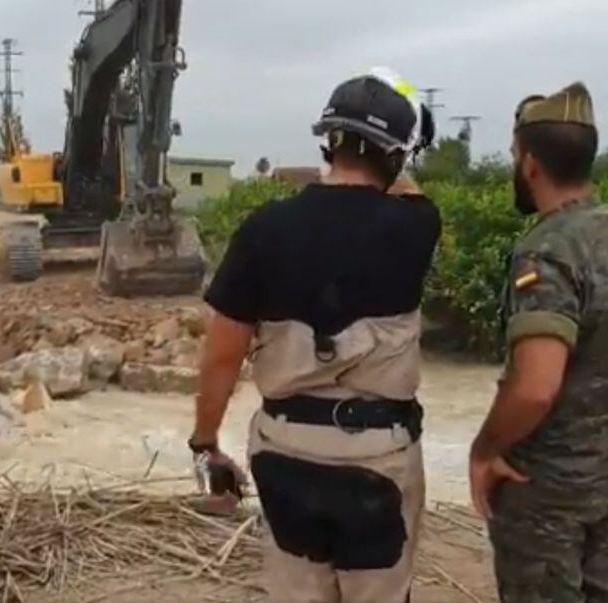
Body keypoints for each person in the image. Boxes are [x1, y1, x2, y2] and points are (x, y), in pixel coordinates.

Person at [188, 68, 440, 603]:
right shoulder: (417, 225)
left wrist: (205, 441)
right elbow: (406, 187)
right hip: (379, 459)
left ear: (327, 142)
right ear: (395, 155)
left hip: (285, 452)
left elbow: (221, 356)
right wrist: (401, 118)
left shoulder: (263, 229)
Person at [469, 82, 608, 603]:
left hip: (546, 493)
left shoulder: (546, 251)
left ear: (530, 163)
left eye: (513, 155)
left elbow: (535, 387)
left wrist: (485, 450)